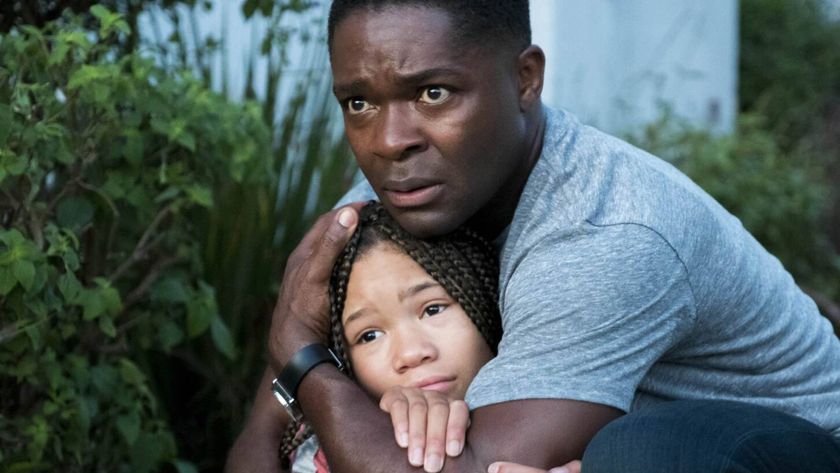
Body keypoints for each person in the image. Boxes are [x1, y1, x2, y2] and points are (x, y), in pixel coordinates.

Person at [226, 1, 840, 472]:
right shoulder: (386, 203)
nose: (389, 141)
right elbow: (264, 447)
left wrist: (302, 354)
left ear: (525, 79)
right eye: (359, 104)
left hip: (793, 449)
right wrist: (297, 376)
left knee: (640, 454)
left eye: (433, 93)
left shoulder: (605, 230)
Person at [283, 201, 502, 472]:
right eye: (369, 335)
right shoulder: (320, 454)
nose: (410, 353)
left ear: (486, 298)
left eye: (432, 309)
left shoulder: (557, 412)